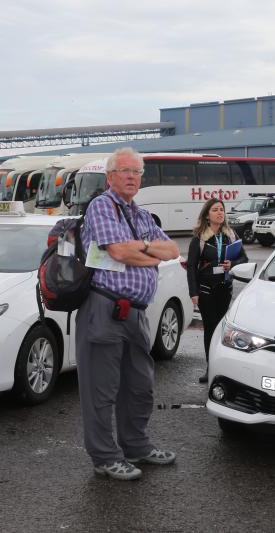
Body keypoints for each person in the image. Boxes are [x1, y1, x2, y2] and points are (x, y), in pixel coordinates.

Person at [76, 147, 180, 481]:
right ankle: (105, 457)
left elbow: (173, 250)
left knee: (140, 385)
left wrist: (142, 248)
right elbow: (118, 251)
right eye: (125, 171)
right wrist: (143, 249)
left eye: (137, 171)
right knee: (101, 390)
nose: (132, 177)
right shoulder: (101, 207)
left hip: (135, 313)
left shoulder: (141, 215)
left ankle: (136, 446)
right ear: (110, 177)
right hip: (105, 307)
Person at [187, 198, 248, 383]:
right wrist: (193, 293)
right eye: (215, 210)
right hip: (206, 290)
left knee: (223, 331)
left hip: (225, 289)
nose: (220, 212)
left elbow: (244, 259)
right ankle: (210, 367)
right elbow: (191, 267)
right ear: (207, 214)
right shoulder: (199, 238)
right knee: (210, 330)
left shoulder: (231, 234)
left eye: (222, 209)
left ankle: (223, 368)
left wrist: (233, 264)